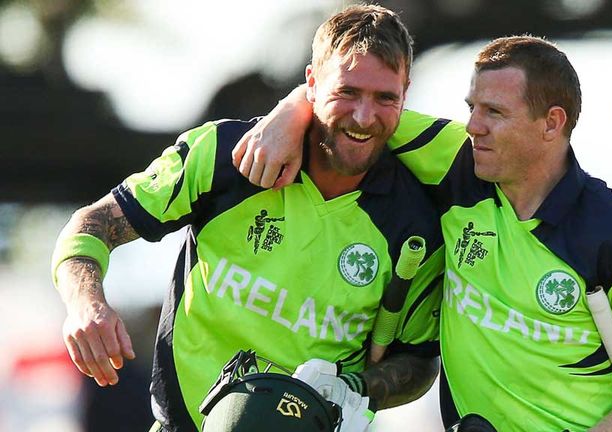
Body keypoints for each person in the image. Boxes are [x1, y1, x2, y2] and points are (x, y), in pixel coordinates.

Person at [232, 35, 612, 431]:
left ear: (552, 123)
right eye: (471, 107)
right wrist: (291, 110)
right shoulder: (459, 163)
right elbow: (357, 109)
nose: (473, 126)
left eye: (494, 112)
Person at [51, 5, 446, 431]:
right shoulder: (223, 155)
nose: (364, 117)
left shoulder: (416, 224)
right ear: (312, 83)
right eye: (347, 92)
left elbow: (419, 360)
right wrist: (86, 305)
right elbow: (93, 224)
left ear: (406, 94)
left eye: (385, 98)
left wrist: (354, 388)